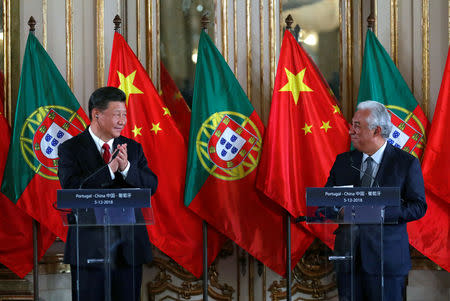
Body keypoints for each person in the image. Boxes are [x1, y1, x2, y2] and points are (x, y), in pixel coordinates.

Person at [58, 86, 158, 301]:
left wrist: (127, 169)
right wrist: (110, 170)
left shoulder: (133, 148)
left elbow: (152, 186)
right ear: (97, 114)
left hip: (128, 248)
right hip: (88, 248)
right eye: (117, 114)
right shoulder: (70, 149)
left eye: (124, 115)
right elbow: (71, 189)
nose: (123, 121)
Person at [325, 101, 426, 300]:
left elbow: (418, 207)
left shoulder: (405, 163)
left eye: (357, 125)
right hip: (348, 260)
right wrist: (338, 210)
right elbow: (326, 201)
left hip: (386, 262)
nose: (350, 131)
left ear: (376, 130)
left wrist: (379, 213)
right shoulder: (344, 162)